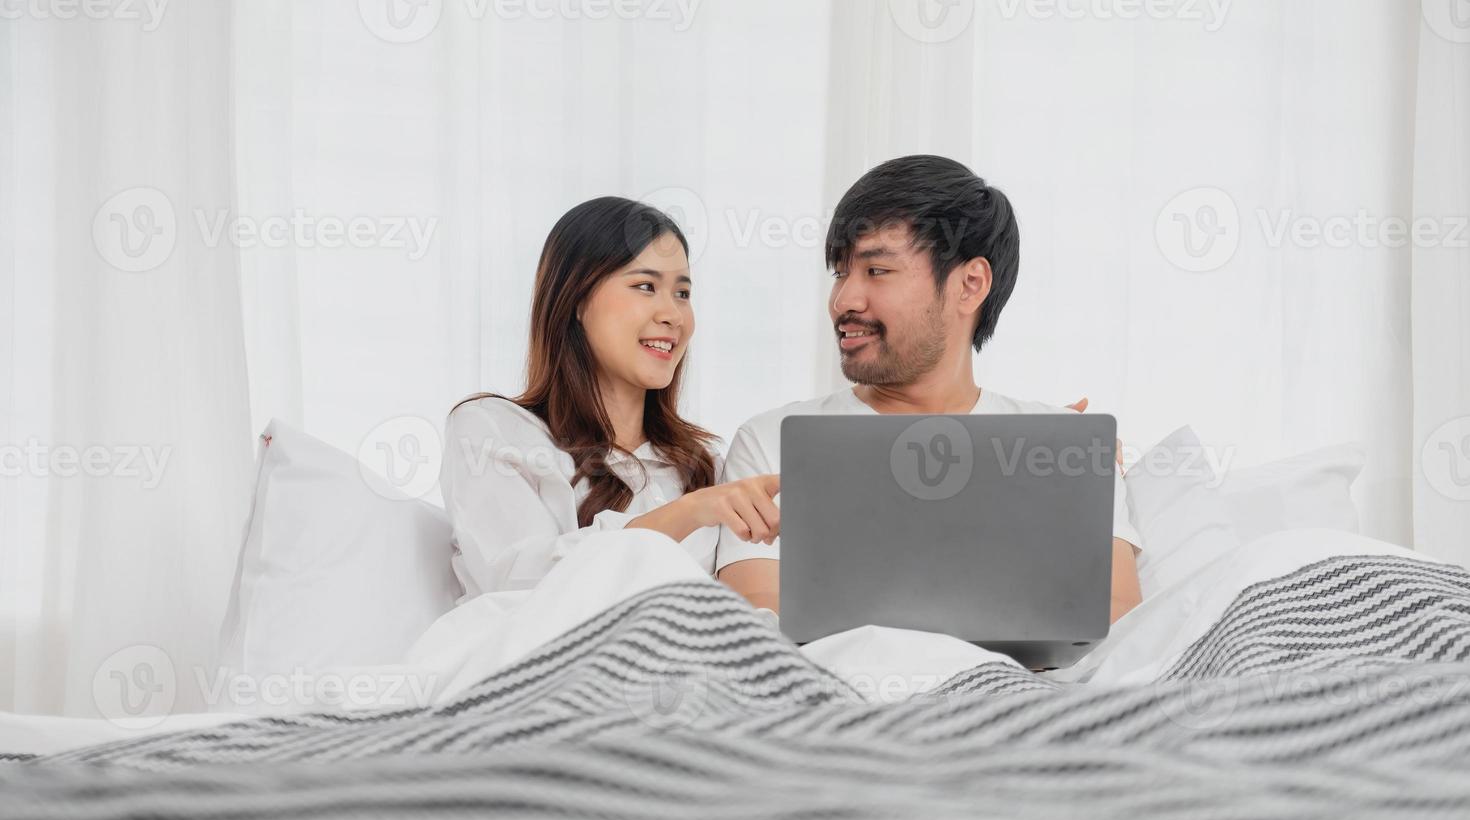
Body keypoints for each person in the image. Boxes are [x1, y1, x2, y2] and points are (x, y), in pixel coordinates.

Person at [716, 155, 1145, 624]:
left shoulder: (1064, 449)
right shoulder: (772, 443)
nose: (843, 300)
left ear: (970, 284)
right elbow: (754, 625)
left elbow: (1117, 622)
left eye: (876, 271)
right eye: (840, 273)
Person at [441, 197, 780, 598]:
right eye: (645, 286)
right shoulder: (493, 429)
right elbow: (520, 586)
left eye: (683, 293)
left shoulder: (703, 469)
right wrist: (688, 513)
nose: (673, 314)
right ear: (577, 300)